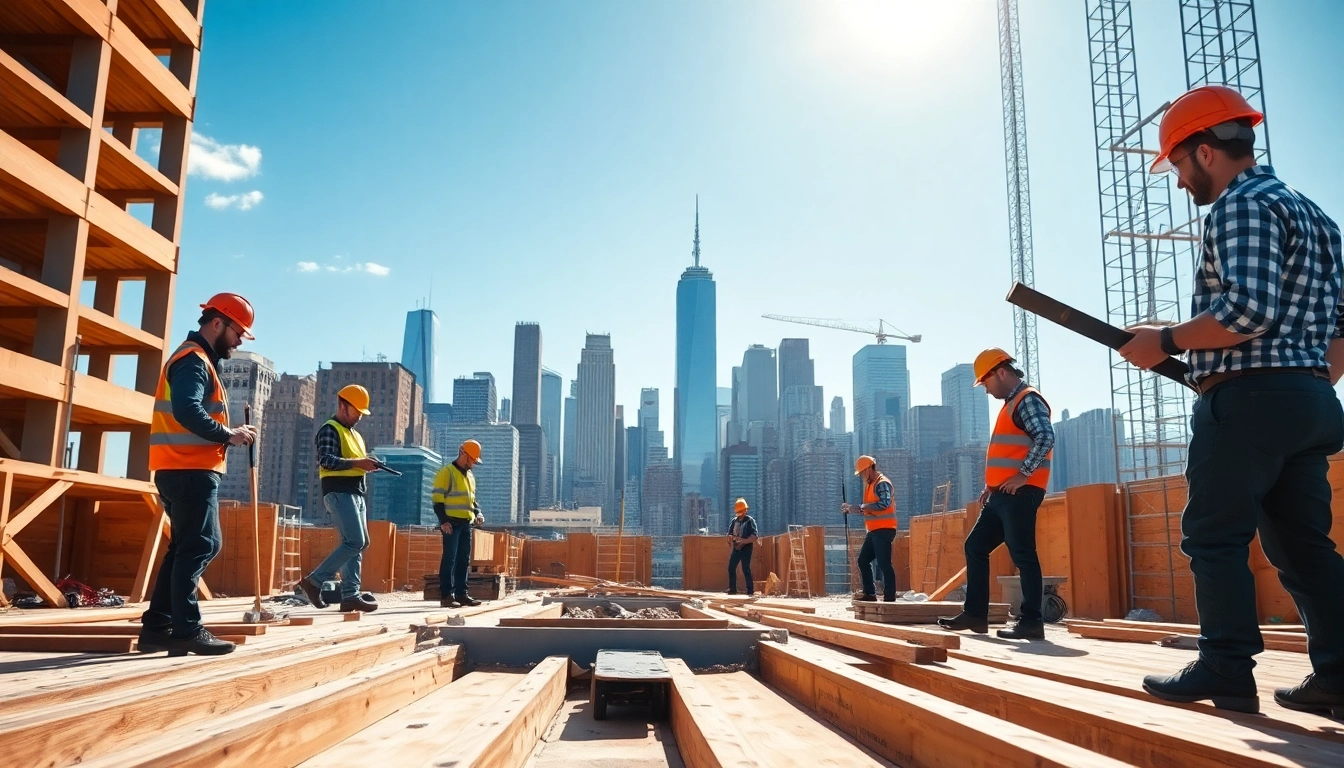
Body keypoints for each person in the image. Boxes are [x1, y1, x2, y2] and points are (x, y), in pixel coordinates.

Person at [1120, 85, 1344, 716]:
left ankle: (1224, 666)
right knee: (1303, 548)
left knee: (1213, 536)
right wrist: (1309, 382)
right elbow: (1343, 323)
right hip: (1307, 401)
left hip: (1248, 401)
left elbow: (1246, 310)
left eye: (1179, 165)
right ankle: (1339, 675)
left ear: (1203, 152)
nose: (1181, 180)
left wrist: (1163, 339)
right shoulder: (1313, 214)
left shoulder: (1240, 205)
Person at [140, 293, 258, 656]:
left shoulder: (199, 359)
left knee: (185, 549)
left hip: (180, 468)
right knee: (202, 545)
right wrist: (230, 435)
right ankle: (186, 630)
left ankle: (158, 627)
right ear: (218, 322)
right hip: (188, 468)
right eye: (239, 332)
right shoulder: (193, 360)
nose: (239, 341)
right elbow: (187, 410)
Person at [939, 348, 1054, 641]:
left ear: (1000, 372)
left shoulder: (1027, 399)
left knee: (1023, 554)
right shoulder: (1010, 403)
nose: (987, 390)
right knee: (975, 546)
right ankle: (976, 616)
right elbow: (1010, 450)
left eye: (986, 382)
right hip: (1001, 494)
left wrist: (1023, 474)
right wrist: (991, 485)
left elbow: (1045, 436)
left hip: (1021, 490)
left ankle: (1031, 621)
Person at [297, 384, 381, 613]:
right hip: (338, 492)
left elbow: (353, 461)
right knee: (354, 541)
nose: (360, 417)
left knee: (360, 543)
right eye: (357, 411)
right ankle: (314, 581)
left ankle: (350, 595)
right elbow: (326, 460)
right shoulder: (329, 429)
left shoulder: (355, 435)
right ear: (343, 405)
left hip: (355, 492)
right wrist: (358, 463)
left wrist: (367, 463)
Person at [432, 439, 486, 608]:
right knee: (450, 559)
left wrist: (478, 513)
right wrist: (444, 521)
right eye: (472, 460)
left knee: (464, 559)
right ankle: (446, 595)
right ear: (463, 453)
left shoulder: (470, 476)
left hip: (465, 524)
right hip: (451, 523)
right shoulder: (446, 472)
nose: (474, 464)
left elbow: (472, 500)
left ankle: (462, 594)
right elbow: (437, 500)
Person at [843, 455, 898, 602]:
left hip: (884, 529)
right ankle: (870, 593)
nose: (861, 476)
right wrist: (852, 509)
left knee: (884, 563)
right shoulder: (870, 485)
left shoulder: (882, 483)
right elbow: (868, 509)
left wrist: (860, 507)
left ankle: (889, 597)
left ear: (868, 469)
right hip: (874, 530)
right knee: (863, 560)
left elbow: (884, 504)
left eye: (861, 472)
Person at [727, 498, 758, 596]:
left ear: (745, 510)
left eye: (741, 511)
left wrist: (744, 541)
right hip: (736, 548)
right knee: (731, 567)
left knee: (746, 568)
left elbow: (755, 536)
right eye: (738, 512)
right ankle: (732, 589)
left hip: (746, 548)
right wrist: (730, 538)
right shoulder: (734, 521)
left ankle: (750, 590)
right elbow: (730, 533)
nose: (740, 513)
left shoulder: (749, 521)